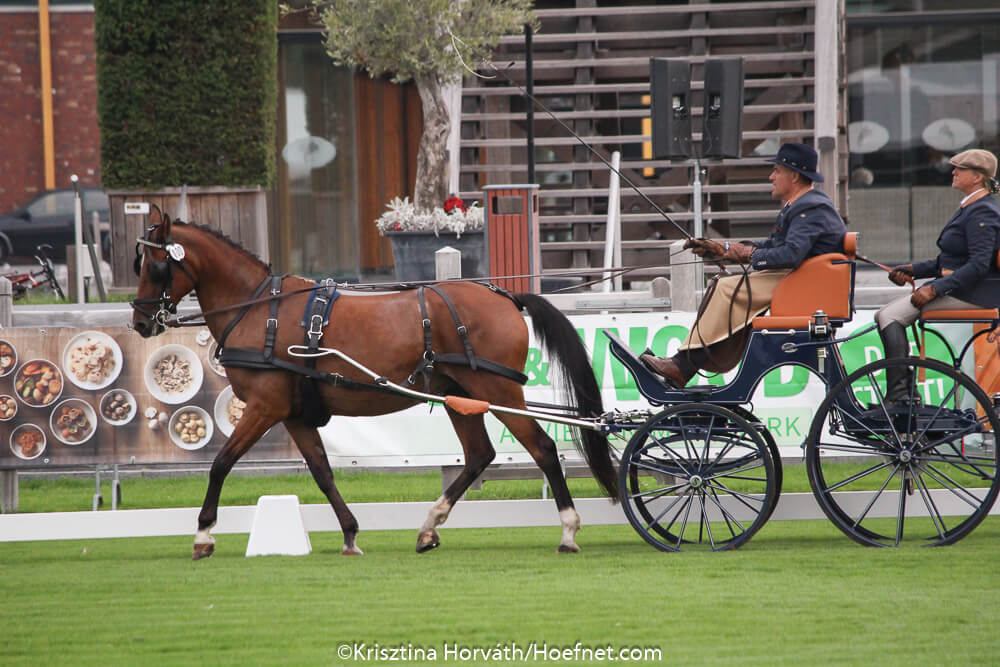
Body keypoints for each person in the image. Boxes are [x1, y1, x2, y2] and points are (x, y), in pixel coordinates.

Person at [640, 142, 847, 388]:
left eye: (777, 171)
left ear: (794, 176)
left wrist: (746, 253)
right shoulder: (804, 205)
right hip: (803, 280)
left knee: (727, 288)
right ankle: (684, 364)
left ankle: (683, 366)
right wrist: (727, 249)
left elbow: (791, 254)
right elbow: (775, 245)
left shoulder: (810, 208)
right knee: (725, 286)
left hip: (807, 285)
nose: (771, 177)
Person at [877, 148, 1000, 404]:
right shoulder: (971, 207)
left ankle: (900, 395)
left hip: (974, 294)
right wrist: (913, 269)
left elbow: (978, 265)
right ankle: (906, 392)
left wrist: (935, 289)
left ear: (977, 177)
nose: (953, 172)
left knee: (889, 316)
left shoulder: (982, 212)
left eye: (960, 169)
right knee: (886, 315)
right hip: (962, 289)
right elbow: (950, 260)